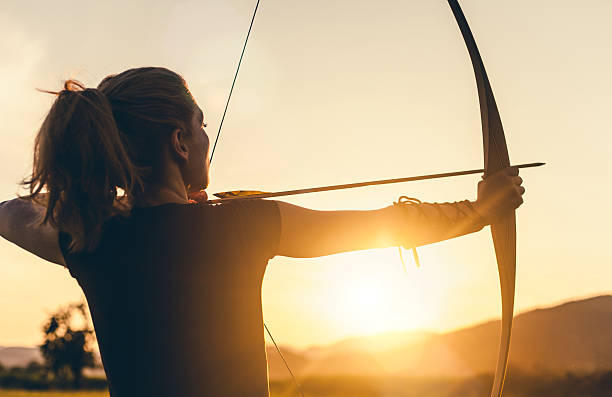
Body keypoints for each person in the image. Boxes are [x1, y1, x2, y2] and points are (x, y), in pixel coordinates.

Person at [0, 66, 524, 397]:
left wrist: (113, 202)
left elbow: (11, 212)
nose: (207, 137)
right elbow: (380, 227)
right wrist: (478, 211)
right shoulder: (239, 228)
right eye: (200, 126)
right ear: (180, 142)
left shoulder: (86, 240)